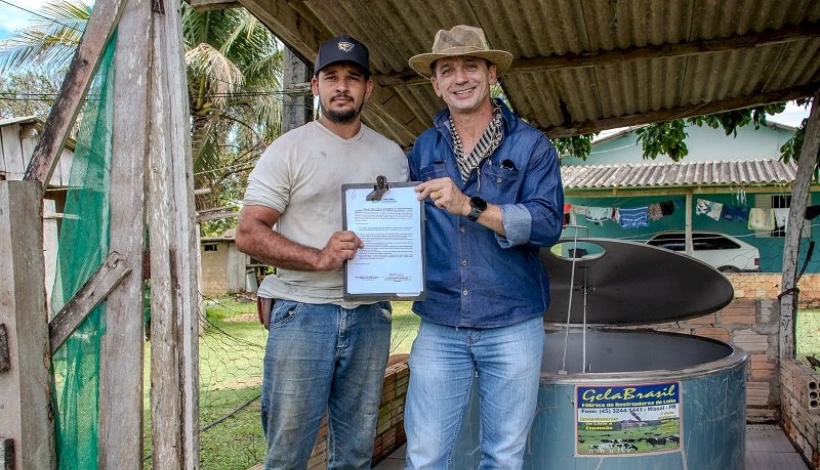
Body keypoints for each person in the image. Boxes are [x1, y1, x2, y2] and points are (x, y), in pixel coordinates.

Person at [235, 34, 408, 470]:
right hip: (303, 312)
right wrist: (319, 257)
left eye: (353, 78)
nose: (342, 86)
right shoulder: (289, 150)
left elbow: (402, 231)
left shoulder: (392, 155)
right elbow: (249, 232)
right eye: (331, 77)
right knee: (289, 451)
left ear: (368, 88)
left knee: (354, 451)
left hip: (370, 314)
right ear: (316, 86)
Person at [403, 25, 565, 469]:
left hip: (513, 321)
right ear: (435, 83)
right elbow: (408, 224)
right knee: (425, 456)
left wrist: (470, 206)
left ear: (491, 74)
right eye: (448, 69)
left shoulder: (531, 145)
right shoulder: (424, 147)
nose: (461, 78)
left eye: (471, 66)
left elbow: (548, 224)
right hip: (440, 322)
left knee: (503, 457)